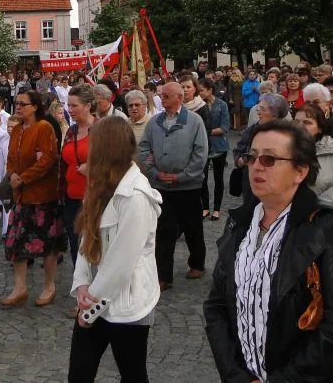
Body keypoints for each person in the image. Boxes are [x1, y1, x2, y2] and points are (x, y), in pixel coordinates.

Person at [204, 120, 333, 382]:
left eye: (270, 159)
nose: (257, 165)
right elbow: (216, 306)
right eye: (252, 156)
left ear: (300, 171)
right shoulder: (239, 222)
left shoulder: (326, 227)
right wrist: (233, 373)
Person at [68, 116, 162, 383]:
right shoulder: (98, 186)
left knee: (132, 374)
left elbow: (122, 261)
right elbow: (86, 241)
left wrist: (90, 305)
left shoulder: (135, 197)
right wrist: (82, 284)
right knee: (79, 372)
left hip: (127, 302)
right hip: (95, 295)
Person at [137, 81, 208, 290]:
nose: (162, 99)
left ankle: (197, 263)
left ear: (179, 97)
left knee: (192, 228)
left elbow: (200, 153)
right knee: (163, 231)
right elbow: (144, 149)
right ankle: (163, 276)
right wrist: (154, 172)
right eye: (162, 95)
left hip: (188, 187)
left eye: (166, 95)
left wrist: (182, 176)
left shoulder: (194, 121)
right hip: (161, 187)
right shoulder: (155, 122)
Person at [3, 89, 66, 307]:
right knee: (16, 242)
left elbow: (48, 159)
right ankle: (20, 287)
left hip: (42, 195)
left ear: (35, 107)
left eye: (23, 104)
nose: (18, 107)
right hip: (21, 195)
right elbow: (10, 157)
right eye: (16, 103)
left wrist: (24, 178)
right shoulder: (17, 130)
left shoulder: (44, 127)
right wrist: (12, 175)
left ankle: (49, 286)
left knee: (47, 244)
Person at [63, 84, 97, 265]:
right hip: (71, 197)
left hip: (94, 196)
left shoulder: (101, 129)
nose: (70, 109)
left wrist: (93, 167)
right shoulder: (71, 131)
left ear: (88, 106)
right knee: (75, 243)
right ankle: (81, 284)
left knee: (94, 242)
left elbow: (116, 160)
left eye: (74, 106)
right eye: (68, 105)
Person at [294, 104, 333, 206]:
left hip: (324, 212)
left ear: (320, 128)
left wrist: (315, 207)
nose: (300, 126)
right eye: (296, 122)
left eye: (307, 122)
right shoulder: (283, 147)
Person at [197, 78, 230, 221]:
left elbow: (224, 127)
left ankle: (216, 209)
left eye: (202, 90)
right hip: (202, 146)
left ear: (210, 90)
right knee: (202, 178)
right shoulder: (197, 106)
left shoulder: (221, 105)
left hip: (219, 146)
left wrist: (205, 131)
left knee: (218, 178)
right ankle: (205, 207)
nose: (199, 93)